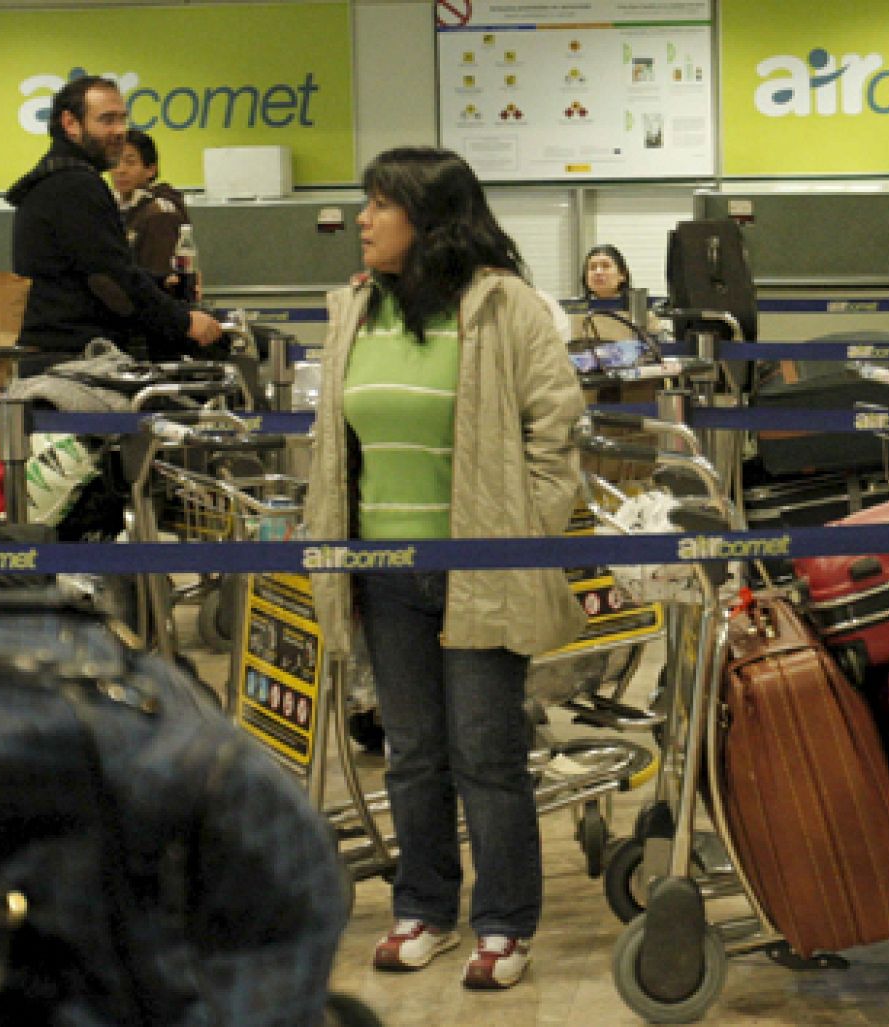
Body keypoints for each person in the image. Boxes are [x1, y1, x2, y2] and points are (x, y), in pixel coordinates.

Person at [306, 146, 586, 991]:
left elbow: (555, 431)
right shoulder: (354, 309)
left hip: (480, 568)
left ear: (428, 220)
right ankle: (422, 905)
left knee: (485, 752)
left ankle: (504, 924)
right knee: (411, 751)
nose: (361, 219)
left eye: (379, 204)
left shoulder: (506, 307)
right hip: (384, 572)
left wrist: (520, 533)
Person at [7, 76, 219, 362]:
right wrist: (185, 321)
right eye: (107, 120)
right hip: (76, 359)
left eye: (123, 119)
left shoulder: (54, 179)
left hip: (60, 351)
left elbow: (91, 269)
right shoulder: (75, 185)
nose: (120, 130)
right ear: (70, 123)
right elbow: (110, 278)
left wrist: (159, 283)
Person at [110, 128, 190, 279]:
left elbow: (161, 279)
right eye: (115, 162)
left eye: (130, 162)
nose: (120, 170)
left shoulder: (159, 215)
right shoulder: (117, 208)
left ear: (151, 170)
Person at [570, 242, 663, 347]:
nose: (598, 272)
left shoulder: (638, 307)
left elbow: (658, 347)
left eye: (605, 266)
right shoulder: (576, 310)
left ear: (622, 275)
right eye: (592, 267)